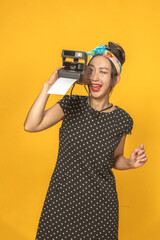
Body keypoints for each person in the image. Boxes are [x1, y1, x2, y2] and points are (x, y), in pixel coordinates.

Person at [24, 42, 148, 240]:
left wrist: (131, 163)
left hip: (99, 207)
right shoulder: (71, 103)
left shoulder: (123, 119)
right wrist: (48, 86)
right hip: (61, 202)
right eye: (91, 71)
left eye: (103, 72)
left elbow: (115, 160)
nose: (95, 77)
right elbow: (31, 125)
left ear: (115, 79)